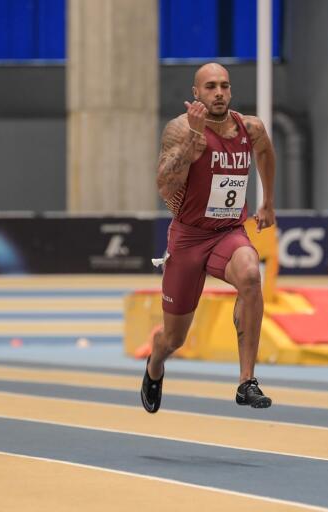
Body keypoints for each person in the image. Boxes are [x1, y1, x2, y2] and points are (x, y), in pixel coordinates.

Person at [141, 63, 276, 413]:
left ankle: (247, 380)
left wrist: (268, 201)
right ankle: (155, 365)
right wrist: (192, 142)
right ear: (195, 93)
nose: (219, 93)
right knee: (174, 338)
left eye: (225, 86)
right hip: (188, 239)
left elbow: (265, 154)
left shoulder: (250, 127)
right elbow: (164, 187)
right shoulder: (179, 129)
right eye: (210, 87)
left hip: (229, 232)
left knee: (250, 274)